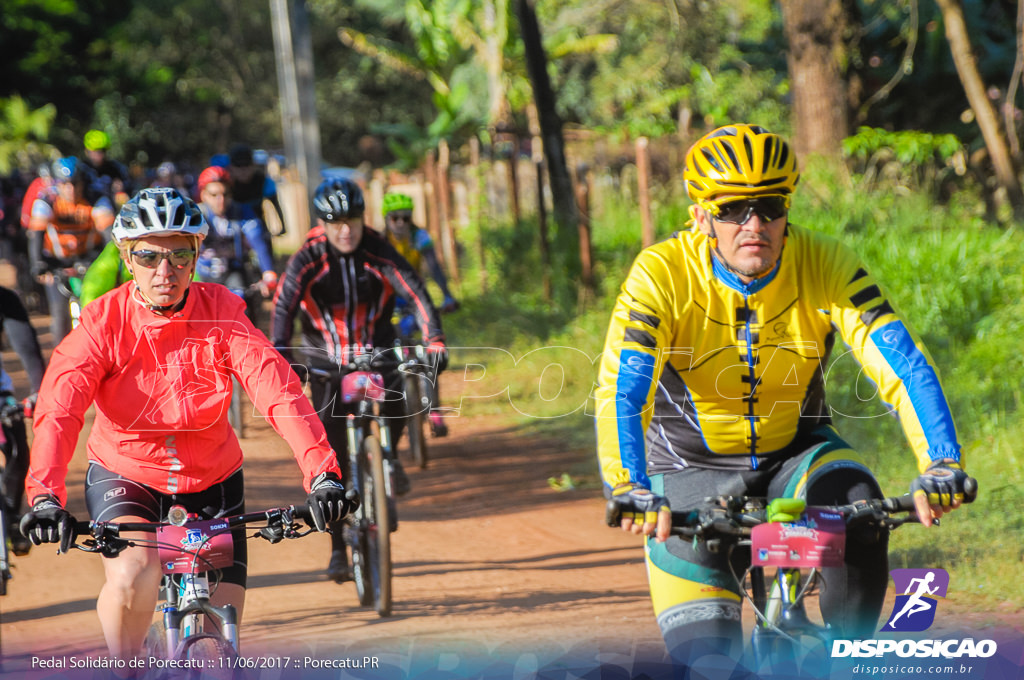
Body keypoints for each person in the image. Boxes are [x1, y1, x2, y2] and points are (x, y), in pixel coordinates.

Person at [594, 124, 972, 674]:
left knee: (862, 507)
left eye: (770, 207)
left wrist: (941, 463)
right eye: (732, 211)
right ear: (701, 216)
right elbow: (624, 390)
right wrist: (628, 483)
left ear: (787, 208)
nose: (754, 226)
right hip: (686, 466)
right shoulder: (660, 274)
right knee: (707, 663)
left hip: (798, 452)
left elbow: (903, 365)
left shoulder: (826, 263)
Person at [19, 187, 353, 665]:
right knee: (134, 575)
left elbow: (275, 388)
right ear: (126, 258)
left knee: (222, 639)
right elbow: (59, 410)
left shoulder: (223, 310)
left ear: (197, 254)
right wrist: (46, 497)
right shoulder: (102, 322)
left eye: (179, 254)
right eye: (149, 255)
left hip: (214, 477)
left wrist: (322, 474)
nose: (165, 271)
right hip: (126, 474)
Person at [271, 177, 447, 583]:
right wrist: (282, 356)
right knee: (331, 464)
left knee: (401, 403)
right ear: (322, 224)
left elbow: (416, 291)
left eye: (351, 220)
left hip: (377, 349)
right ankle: (336, 550)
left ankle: (390, 455)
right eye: (335, 223)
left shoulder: (378, 249)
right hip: (325, 361)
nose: (345, 230)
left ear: (363, 219)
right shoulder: (307, 258)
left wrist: (434, 338)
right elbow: (283, 307)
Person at [381, 191, 459, 436]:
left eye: (406, 218)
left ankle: (433, 410)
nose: (401, 224)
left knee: (429, 356)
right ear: (387, 220)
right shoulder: (379, 242)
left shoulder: (420, 237)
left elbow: (434, 268)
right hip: (386, 303)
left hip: (415, 301)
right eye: (395, 219)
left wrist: (446, 294)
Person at [28, 156, 114, 343]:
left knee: (100, 311)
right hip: (58, 260)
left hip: (90, 257)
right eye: (65, 184)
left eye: (76, 184)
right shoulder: (47, 200)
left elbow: (109, 236)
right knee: (60, 318)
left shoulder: (96, 199)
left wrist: (107, 263)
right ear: (56, 184)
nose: (71, 189)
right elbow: (36, 235)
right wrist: (38, 264)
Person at [194, 165, 278, 321]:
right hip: (204, 276)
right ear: (203, 195)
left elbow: (258, 240)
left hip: (235, 275)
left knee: (241, 310)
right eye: (214, 195)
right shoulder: (196, 214)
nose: (221, 200)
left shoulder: (241, 212)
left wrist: (268, 273)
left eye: (225, 194)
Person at [0, 286, 46, 555]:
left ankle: (12, 514)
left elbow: (26, 345)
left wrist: (39, 390)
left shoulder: (4, 298)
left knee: (18, 451)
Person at [81, 129, 132, 208]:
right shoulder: (82, 169)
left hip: (109, 210)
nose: (99, 154)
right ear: (87, 151)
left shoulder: (116, 169)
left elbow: (129, 187)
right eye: (96, 151)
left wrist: (121, 188)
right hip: (85, 208)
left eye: (102, 151)